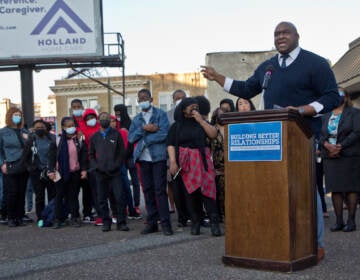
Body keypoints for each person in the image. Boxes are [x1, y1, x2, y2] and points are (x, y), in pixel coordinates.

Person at [201, 21, 341, 261]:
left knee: (306, 189)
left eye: (285, 32)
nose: (280, 37)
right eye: (276, 34)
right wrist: (217, 78)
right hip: (272, 136)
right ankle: (276, 241)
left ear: (297, 35)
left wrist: (304, 109)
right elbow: (246, 88)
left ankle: (314, 243)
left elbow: (331, 96)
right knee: (274, 189)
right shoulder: (268, 67)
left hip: (302, 137)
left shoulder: (316, 63)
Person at [168, 97, 221, 236]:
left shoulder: (201, 122)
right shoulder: (176, 126)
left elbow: (213, 134)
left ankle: (214, 223)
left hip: (203, 162)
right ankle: (196, 222)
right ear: (184, 109)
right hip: (185, 164)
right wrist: (173, 162)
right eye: (191, 106)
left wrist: (201, 121)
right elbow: (171, 144)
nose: (194, 108)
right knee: (191, 194)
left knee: (208, 192)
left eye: (196, 106)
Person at [128, 88, 173, 236]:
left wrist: (146, 140)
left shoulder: (160, 114)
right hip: (143, 159)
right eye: (140, 99)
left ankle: (166, 223)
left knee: (160, 191)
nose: (142, 101)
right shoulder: (136, 119)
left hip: (158, 158)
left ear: (151, 99)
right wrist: (145, 129)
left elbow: (164, 133)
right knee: (147, 191)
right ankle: (152, 223)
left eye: (145, 98)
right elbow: (131, 138)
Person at [320, 88, 360, 232]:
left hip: (349, 155)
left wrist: (340, 146)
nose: (338, 96)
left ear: (346, 97)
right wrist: (327, 145)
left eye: (341, 94)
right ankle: (338, 221)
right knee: (335, 189)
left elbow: (357, 132)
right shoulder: (325, 115)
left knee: (350, 188)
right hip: (330, 157)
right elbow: (319, 134)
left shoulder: (355, 113)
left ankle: (351, 221)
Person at [89, 112, 129, 232]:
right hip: (100, 173)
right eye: (102, 119)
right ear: (98, 121)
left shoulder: (116, 134)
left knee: (119, 197)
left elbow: (122, 152)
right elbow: (91, 154)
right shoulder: (94, 136)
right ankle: (106, 222)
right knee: (102, 199)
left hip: (115, 172)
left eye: (107, 118)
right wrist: (96, 166)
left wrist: (116, 165)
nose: (104, 120)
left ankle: (121, 222)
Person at [48, 117, 88, 229]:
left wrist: (84, 170)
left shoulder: (78, 139)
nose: (71, 128)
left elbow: (83, 156)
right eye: (68, 126)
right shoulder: (57, 140)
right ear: (63, 127)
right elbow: (51, 157)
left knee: (73, 196)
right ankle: (57, 219)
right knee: (59, 196)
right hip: (59, 173)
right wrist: (51, 170)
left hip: (74, 172)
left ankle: (75, 217)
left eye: (73, 125)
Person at [0, 108, 29, 227]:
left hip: (24, 164)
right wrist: (2, 163)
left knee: (22, 192)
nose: (17, 117)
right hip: (10, 163)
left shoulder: (24, 130)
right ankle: (10, 217)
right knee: (11, 192)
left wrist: (27, 138)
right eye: (15, 114)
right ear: (9, 116)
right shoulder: (3, 132)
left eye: (19, 115)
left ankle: (19, 216)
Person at [23, 120, 56, 222]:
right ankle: (40, 217)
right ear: (33, 129)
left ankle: (51, 215)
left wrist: (52, 168)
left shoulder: (52, 138)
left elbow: (55, 154)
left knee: (52, 195)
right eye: (37, 127)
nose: (40, 129)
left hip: (50, 171)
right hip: (36, 172)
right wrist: (30, 168)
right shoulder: (31, 140)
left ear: (46, 128)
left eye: (42, 127)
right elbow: (25, 156)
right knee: (39, 196)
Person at [114, 103, 142, 216]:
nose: (117, 115)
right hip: (121, 158)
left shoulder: (131, 124)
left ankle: (136, 205)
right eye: (116, 113)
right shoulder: (115, 124)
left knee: (135, 182)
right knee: (123, 183)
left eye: (119, 113)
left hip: (131, 156)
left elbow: (133, 140)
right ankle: (126, 205)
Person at [166, 89, 188, 225]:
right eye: (177, 98)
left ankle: (193, 214)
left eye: (182, 97)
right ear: (173, 100)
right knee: (176, 186)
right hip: (173, 154)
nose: (180, 99)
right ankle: (181, 216)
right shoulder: (168, 115)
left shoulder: (193, 114)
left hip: (189, 155)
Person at [81, 108, 102, 225]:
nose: (90, 120)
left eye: (92, 117)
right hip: (91, 163)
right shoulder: (83, 131)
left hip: (104, 162)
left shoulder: (101, 128)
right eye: (88, 118)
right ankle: (100, 214)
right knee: (95, 191)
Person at [210, 108, 226, 222]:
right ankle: (220, 216)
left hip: (232, 168)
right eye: (219, 115)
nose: (221, 117)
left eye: (224, 114)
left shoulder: (232, 128)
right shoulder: (212, 130)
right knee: (219, 192)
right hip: (217, 168)